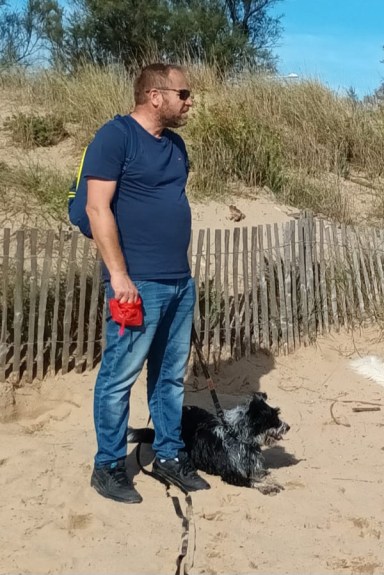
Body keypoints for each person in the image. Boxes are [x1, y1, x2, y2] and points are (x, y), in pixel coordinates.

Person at [86, 63, 210, 503]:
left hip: (178, 280)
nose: (189, 101)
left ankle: (169, 455)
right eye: (184, 93)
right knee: (120, 375)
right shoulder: (115, 137)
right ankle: (108, 466)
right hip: (135, 283)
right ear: (155, 96)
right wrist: (119, 274)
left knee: (170, 377)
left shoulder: (176, 146)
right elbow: (97, 208)